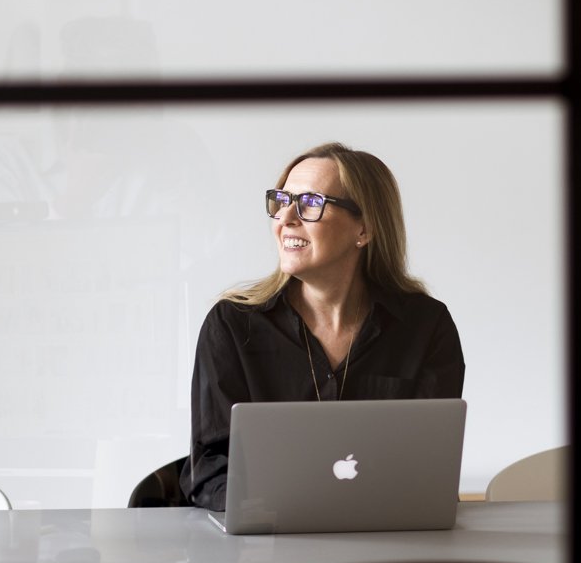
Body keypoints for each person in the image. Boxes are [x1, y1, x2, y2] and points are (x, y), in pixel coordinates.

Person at [182, 142, 465, 510]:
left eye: (310, 203)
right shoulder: (233, 325)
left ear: (364, 229)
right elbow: (209, 467)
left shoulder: (427, 326)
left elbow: (430, 464)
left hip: (389, 535)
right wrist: (264, 511)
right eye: (281, 201)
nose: (285, 219)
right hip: (267, 544)